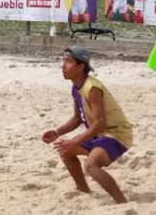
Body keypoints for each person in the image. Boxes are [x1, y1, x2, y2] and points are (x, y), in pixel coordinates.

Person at [42, 46, 133, 204]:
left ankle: (122, 202)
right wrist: (57, 132)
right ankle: (83, 190)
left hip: (117, 134)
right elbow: (77, 119)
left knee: (91, 165)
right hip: (100, 134)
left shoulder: (92, 88)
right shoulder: (76, 87)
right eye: (63, 60)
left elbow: (100, 123)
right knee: (66, 151)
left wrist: (74, 140)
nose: (63, 65)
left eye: (68, 61)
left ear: (81, 66)